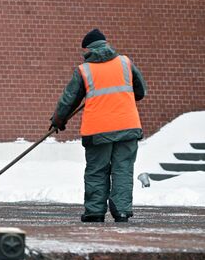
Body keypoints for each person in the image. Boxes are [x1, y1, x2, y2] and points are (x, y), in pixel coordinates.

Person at [50, 28, 147, 223]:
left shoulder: (84, 70)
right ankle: (121, 210)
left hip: (98, 130)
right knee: (123, 169)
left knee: (97, 170)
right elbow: (140, 90)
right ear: (106, 44)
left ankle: (95, 211)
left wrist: (58, 121)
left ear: (87, 49)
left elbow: (69, 100)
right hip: (127, 126)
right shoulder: (125, 62)